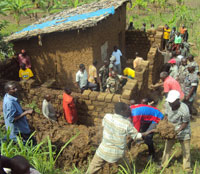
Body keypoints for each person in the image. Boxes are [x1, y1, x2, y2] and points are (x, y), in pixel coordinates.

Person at [86, 102, 153, 174]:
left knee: (91, 169)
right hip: (117, 154)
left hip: (103, 151)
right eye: (127, 109)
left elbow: (105, 125)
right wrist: (148, 132)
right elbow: (137, 136)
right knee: (127, 169)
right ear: (122, 112)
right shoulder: (127, 124)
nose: (130, 110)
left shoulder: (107, 117)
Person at [161, 90, 192, 173]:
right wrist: (164, 127)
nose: (171, 104)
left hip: (183, 129)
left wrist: (176, 132)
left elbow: (185, 123)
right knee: (167, 148)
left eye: (173, 102)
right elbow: (166, 115)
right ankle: (164, 164)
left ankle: (187, 168)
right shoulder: (167, 104)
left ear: (178, 100)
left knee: (186, 150)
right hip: (171, 127)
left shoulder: (184, 109)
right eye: (170, 102)